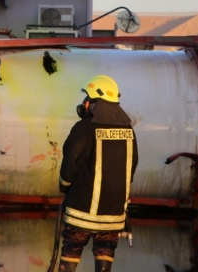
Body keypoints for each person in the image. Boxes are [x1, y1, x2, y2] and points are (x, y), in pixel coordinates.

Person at [57, 75, 138, 272]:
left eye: (87, 98)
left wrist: (64, 186)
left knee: (72, 250)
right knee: (105, 252)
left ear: (93, 103)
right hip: (113, 216)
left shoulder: (84, 128)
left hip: (81, 213)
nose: (84, 103)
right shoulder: (129, 131)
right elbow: (131, 166)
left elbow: (70, 163)